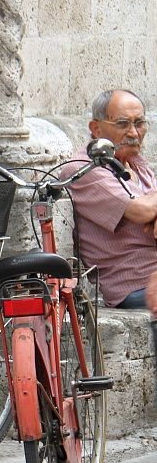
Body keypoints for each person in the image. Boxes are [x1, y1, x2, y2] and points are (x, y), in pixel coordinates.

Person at [65, 89, 157, 309]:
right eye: (123, 124)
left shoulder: (137, 165)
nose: (134, 133)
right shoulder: (83, 169)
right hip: (133, 284)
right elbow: (142, 211)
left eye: (139, 123)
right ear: (96, 128)